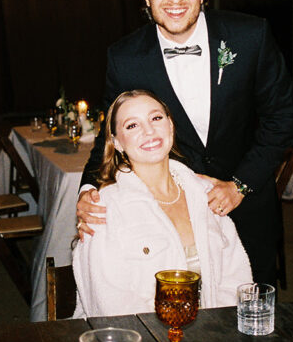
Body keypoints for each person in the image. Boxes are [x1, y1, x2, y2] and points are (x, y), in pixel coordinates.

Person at [75, 0, 293, 286]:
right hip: (168, 216)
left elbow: (283, 117)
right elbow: (111, 134)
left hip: (248, 208)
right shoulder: (125, 58)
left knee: (251, 310)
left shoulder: (250, 36)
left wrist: (239, 185)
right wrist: (88, 190)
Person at [72, 90, 252, 317]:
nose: (149, 131)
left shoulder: (204, 193)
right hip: (138, 336)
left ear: (171, 126)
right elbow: (110, 305)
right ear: (117, 142)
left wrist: (216, 327)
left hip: (212, 330)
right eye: (132, 125)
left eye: (156, 118)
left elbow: (236, 278)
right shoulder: (102, 209)